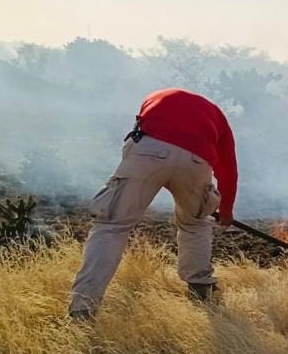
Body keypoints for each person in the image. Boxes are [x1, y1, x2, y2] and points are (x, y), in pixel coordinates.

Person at [68, 88, 237, 320]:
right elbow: (228, 168)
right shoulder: (217, 116)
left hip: (147, 150)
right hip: (197, 162)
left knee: (112, 226)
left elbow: (140, 138)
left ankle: (82, 308)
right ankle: (201, 289)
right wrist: (225, 209)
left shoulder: (156, 97)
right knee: (195, 224)